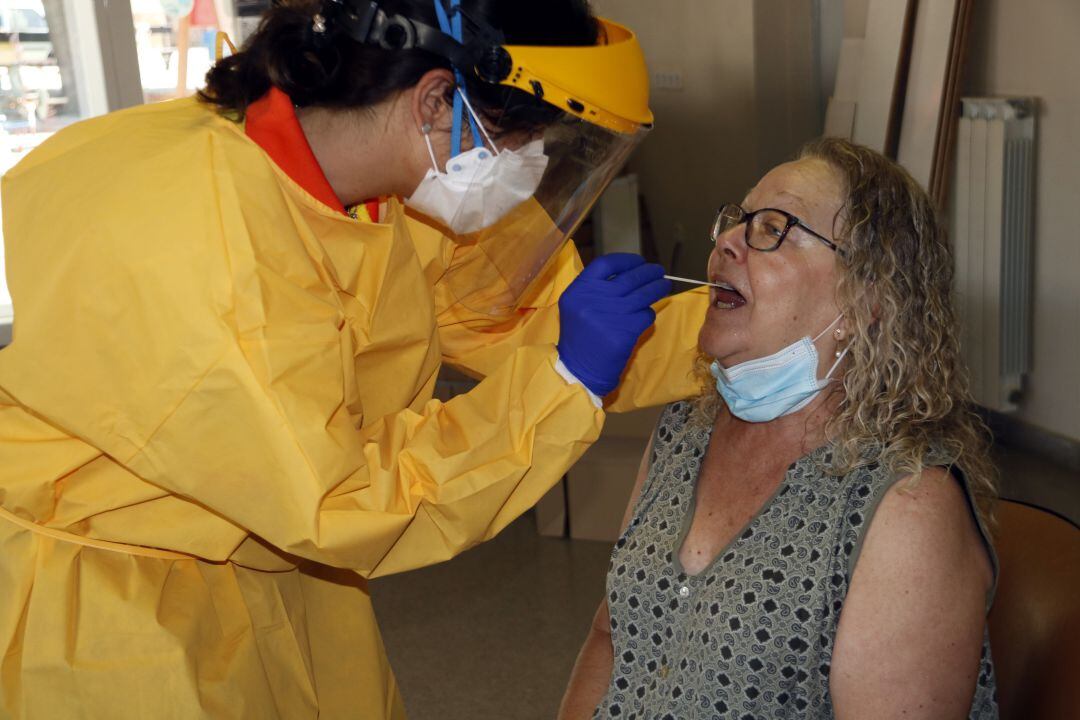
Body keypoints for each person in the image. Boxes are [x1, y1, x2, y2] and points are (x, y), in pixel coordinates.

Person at [0, 0, 709, 717]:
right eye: (521, 138)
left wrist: (737, 333)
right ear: (435, 98)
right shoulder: (201, 240)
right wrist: (564, 383)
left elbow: (513, 319)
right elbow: (346, 498)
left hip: (278, 567)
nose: (528, 167)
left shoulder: (384, 184)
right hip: (118, 610)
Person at [560, 137, 1000, 719]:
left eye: (774, 227)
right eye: (737, 220)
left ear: (866, 299)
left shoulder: (909, 506)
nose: (725, 241)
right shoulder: (684, 430)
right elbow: (611, 640)